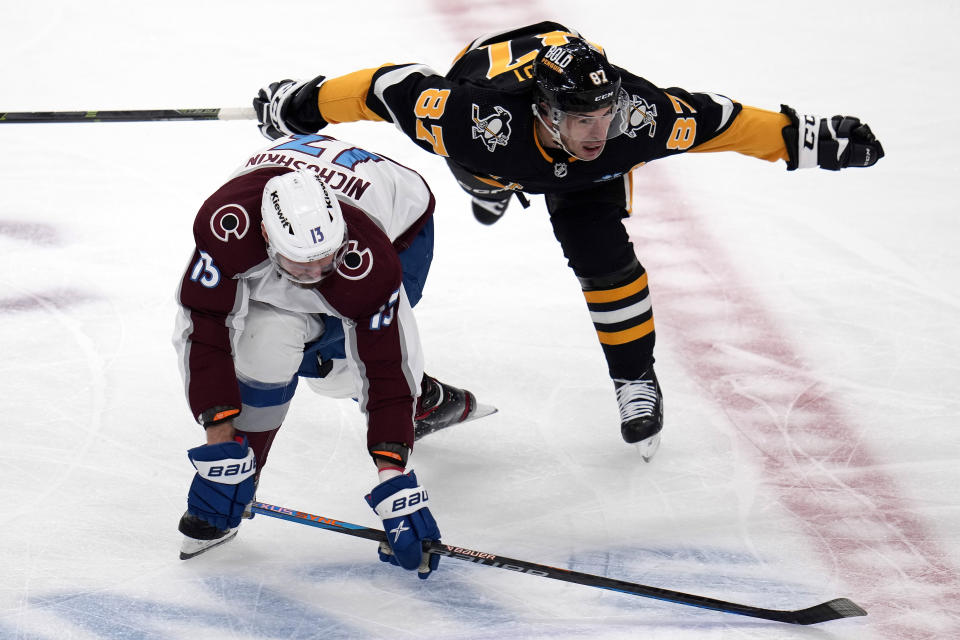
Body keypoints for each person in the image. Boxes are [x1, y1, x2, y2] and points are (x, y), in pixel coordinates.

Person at [250, 21, 884, 462]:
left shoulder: (637, 119)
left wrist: (811, 140)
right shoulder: (475, 121)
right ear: (544, 110)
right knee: (482, 172)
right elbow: (386, 87)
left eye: (604, 114)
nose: (598, 130)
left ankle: (635, 376)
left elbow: (724, 121)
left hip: (577, 178)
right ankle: (491, 191)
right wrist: (299, 103)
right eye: (582, 118)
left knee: (603, 255)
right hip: (497, 140)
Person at [173, 134, 484, 577]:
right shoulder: (226, 229)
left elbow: (385, 366)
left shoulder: (366, 257)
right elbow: (203, 330)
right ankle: (244, 470)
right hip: (303, 190)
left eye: (326, 258)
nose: (317, 275)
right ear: (265, 233)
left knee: (338, 369)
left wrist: (394, 482)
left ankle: (420, 402)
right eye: (303, 264)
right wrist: (219, 447)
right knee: (268, 336)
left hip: (401, 230)